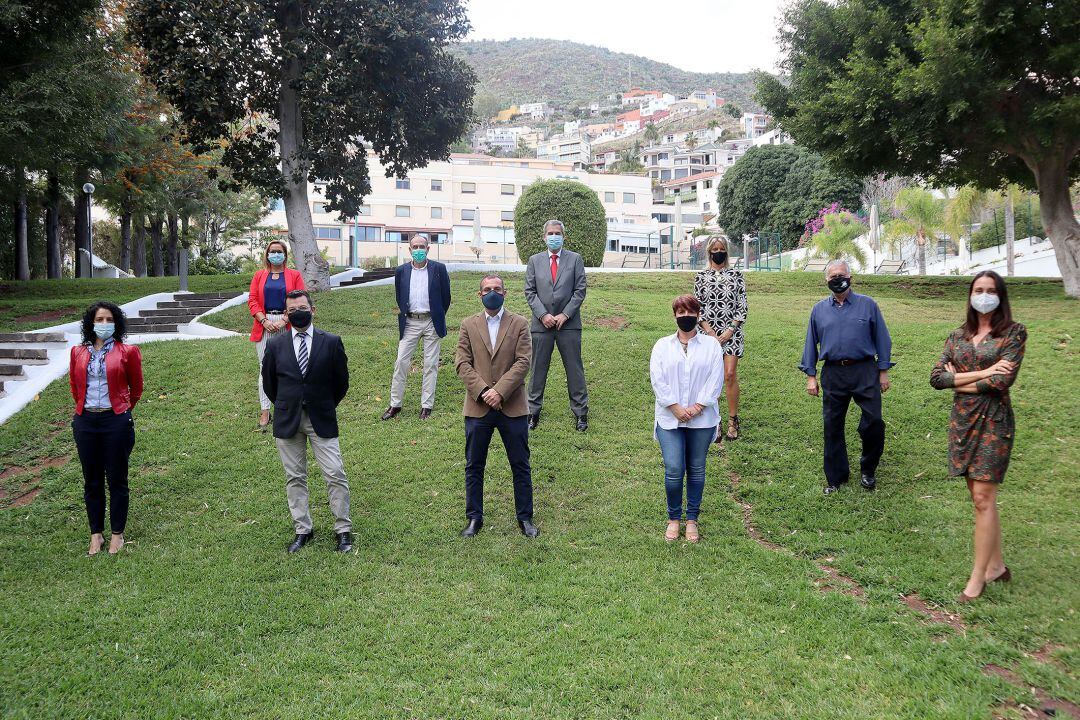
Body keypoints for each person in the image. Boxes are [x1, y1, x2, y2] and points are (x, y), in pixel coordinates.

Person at [930, 271, 1026, 603]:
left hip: (994, 423)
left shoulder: (1014, 333)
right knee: (978, 497)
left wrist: (961, 380)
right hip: (963, 422)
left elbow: (1001, 384)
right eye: (978, 290)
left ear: (1001, 295)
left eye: (990, 290)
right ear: (970, 294)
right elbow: (937, 378)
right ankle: (997, 566)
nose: (984, 295)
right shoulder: (957, 335)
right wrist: (985, 370)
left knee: (984, 497)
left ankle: (978, 577)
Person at [261, 290, 353, 553]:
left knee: (335, 473)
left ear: (312, 310)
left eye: (302, 307)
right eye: (291, 310)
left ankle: (343, 529)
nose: (297, 312)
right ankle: (303, 529)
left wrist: (324, 404)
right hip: (288, 419)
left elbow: (341, 382)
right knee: (295, 477)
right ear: (287, 315)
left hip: (321, 417)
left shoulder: (331, 341)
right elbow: (270, 384)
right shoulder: (276, 344)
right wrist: (287, 404)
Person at [799, 260, 893, 495]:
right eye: (833, 276)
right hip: (833, 372)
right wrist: (811, 375)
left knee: (874, 422)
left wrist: (883, 372)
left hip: (865, 371)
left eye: (841, 274)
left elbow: (882, 339)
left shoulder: (868, 305)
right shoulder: (819, 310)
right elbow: (811, 342)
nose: (837, 278)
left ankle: (868, 469)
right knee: (832, 425)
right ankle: (836, 477)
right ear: (826, 280)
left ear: (851, 277)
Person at [454, 274, 538, 538]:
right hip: (478, 407)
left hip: (511, 406)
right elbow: (462, 363)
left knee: (520, 464)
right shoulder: (468, 324)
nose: (493, 292)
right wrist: (483, 391)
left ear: (505, 293)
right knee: (474, 465)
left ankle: (525, 518)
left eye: (497, 289)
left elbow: (523, 362)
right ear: (480, 295)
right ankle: (474, 518)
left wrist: (499, 392)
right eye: (487, 289)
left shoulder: (520, 323)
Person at [69, 301, 143, 556]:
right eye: (99, 320)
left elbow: (137, 387)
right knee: (91, 480)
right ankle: (96, 534)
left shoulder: (127, 351)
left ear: (117, 323)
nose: (104, 324)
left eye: (108, 320)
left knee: (117, 479)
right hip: (85, 422)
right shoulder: (78, 352)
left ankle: (117, 534)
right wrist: (85, 411)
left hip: (116, 421)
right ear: (91, 323)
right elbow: (74, 386)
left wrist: (121, 409)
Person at [650, 294, 724, 542]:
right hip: (669, 419)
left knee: (696, 470)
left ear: (698, 314)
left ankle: (691, 519)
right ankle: (674, 518)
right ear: (674, 316)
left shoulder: (712, 346)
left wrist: (697, 407)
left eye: (690, 312)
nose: (685, 317)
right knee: (673, 469)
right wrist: (675, 407)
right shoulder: (662, 345)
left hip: (702, 420)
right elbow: (657, 380)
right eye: (680, 313)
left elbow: (716, 379)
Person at [523, 219, 589, 431]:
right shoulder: (534, 260)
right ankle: (532, 412)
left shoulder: (575, 259)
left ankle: (581, 413)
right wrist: (543, 315)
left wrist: (565, 315)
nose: (553, 237)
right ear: (544, 237)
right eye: (550, 233)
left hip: (568, 326)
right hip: (541, 326)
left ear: (563, 236)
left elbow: (580, 290)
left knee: (574, 370)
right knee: (537, 370)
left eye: (557, 233)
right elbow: (530, 292)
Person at [382, 234, 452, 421]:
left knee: (430, 365)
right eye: (415, 246)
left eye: (422, 246)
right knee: (401, 363)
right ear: (410, 249)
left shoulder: (439, 269)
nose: (419, 250)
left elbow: (446, 297)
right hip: (410, 322)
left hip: (431, 321)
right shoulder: (401, 271)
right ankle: (395, 404)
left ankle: (426, 406)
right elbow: (400, 296)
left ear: (428, 249)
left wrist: (437, 315)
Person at [695, 235, 747, 442]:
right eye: (714, 248)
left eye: (721, 248)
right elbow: (696, 308)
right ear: (709, 252)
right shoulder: (701, 276)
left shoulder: (736, 275)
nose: (718, 252)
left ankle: (733, 420)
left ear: (726, 251)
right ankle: (714, 421)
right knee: (710, 377)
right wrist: (710, 333)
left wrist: (730, 330)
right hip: (708, 334)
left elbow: (742, 306)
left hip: (731, 333)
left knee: (729, 374)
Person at [248, 240, 305, 431]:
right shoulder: (259, 275)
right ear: (267, 255)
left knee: (290, 367)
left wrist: (284, 320)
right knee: (265, 368)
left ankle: (287, 407)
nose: (275, 254)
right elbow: (253, 300)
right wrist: (264, 321)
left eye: (279, 251)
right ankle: (265, 410)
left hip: (287, 323)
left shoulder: (294, 275)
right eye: (272, 251)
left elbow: (300, 299)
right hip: (264, 323)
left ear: (285, 255)